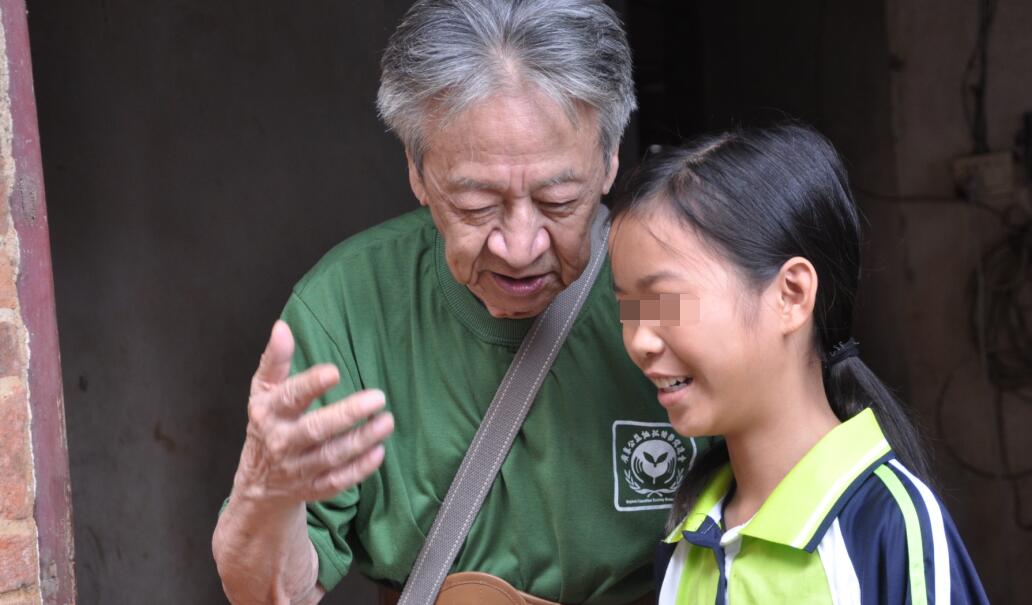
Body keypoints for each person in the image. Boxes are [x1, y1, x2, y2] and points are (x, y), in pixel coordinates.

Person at [211, 1, 708, 603]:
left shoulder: (666, 290)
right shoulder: (350, 308)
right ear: (417, 173)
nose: (520, 248)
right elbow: (271, 593)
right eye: (477, 206)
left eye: (558, 201)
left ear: (609, 162)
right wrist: (263, 498)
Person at [608, 125, 990, 604]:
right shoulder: (685, 541)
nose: (639, 340)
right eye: (627, 309)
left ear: (791, 294)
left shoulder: (888, 524)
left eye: (664, 302)